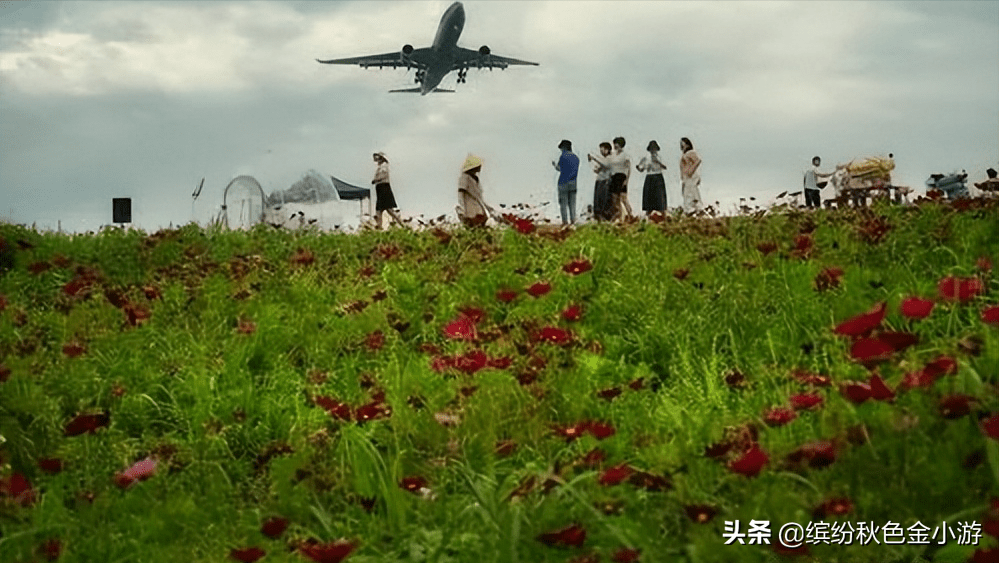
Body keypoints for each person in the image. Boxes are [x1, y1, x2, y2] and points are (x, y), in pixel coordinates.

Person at [457, 154, 493, 227]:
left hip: (479, 210)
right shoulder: (464, 178)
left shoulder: (475, 179)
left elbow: (479, 198)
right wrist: (462, 209)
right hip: (470, 212)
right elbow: (461, 194)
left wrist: (488, 208)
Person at [371, 152, 405, 229]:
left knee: (389, 210)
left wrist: (375, 180)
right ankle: (380, 227)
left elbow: (383, 176)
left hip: (384, 188)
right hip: (380, 188)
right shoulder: (380, 167)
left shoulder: (384, 166)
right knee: (380, 210)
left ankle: (403, 225)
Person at [552, 140, 580, 225]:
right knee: (572, 203)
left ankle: (565, 221)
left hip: (563, 182)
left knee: (563, 203)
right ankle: (573, 220)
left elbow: (560, 168)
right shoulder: (576, 158)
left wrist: (554, 165)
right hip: (573, 182)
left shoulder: (563, 156)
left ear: (563, 148)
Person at [606, 136, 633, 220]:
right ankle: (620, 216)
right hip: (614, 177)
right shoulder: (613, 155)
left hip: (622, 177)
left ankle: (630, 214)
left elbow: (629, 168)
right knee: (615, 199)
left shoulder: (625, 155)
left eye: (616, 144)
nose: (615, 146)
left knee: (623, 198)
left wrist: (626, 180)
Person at [637, 140, 667, 217]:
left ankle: (662, 214)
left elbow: (665, 167)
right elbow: (642, 169)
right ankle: (648, 214)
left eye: (654, 149)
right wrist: (639, 167)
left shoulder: (660, 157)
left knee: (660, 198)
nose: (653, 151)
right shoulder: (646, 158)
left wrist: (657, 162)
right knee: (649, 198)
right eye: (651, 149)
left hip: (658, 176)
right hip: (650, 176)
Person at [587, 142, 614, 221]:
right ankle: (598, 217)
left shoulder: (610, 158)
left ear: (607, 150)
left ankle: (605, 217)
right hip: (599, 181)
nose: (601, 152)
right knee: (597, 200)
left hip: (606, 181)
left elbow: (605, 164)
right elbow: (596, 169)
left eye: (602, 150)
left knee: (604, 200)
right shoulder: (603, 159)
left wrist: (594, 158)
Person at [679, 137, 702, 213]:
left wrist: (691, 170)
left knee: (690, 192)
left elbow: (697, 160)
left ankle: (693, 208)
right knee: (687, 192)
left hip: (691, 175)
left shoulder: (691, 153)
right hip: (686, 176)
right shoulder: (685, 154)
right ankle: (690, 209)